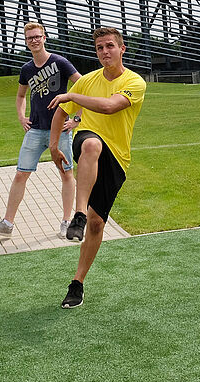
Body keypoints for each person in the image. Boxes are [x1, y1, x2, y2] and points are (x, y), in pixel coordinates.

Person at [47, 27, 146, 308]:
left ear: (122, 49)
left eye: (110, 46)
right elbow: (60, 113)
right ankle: (77, 213)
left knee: (97, 223)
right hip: (88, 140)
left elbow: (109, 106)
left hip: (118, 158)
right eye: (100, 47)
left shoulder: (135, 82)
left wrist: (73, 97)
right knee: (91, 145)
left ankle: (77, 283)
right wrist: (54, 146)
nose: (105, 52)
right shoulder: (87, 81)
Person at [0, 22, 82, 240]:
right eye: (30, 38)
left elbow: (83, 88)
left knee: (66, 174)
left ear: (45, 38)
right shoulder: (27, 69)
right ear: (26, 42)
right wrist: (21, 116)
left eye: (37, 36)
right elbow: (20, 96)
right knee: (21, 174)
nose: (34, 41)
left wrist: (76, 118)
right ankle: (7, 223)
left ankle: (66, 222)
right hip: (36, 130)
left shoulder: (60, 62)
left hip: (61, 130)